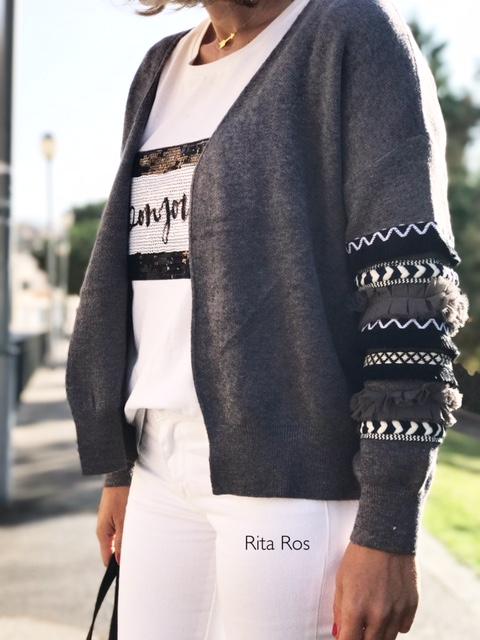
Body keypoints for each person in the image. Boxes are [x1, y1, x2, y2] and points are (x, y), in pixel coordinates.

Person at [65, 0, 470, 638]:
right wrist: (121, 467)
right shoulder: (159, 68)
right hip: (157, 470)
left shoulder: (351, 33)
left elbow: (410, 291)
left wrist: (390, 524)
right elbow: (141, 288)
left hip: (293, 488)